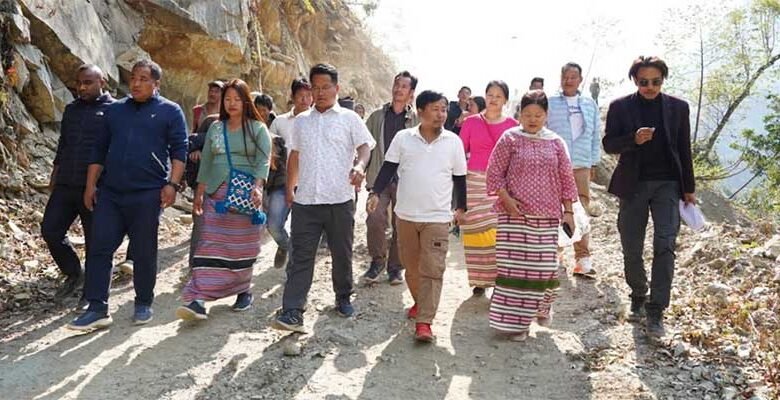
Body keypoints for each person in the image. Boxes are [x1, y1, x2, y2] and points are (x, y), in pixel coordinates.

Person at [68, 60, 188, 331]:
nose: (136, 83)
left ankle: (143, 301)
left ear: (156, 84)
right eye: (133, 78)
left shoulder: (170, 111)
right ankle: (97, 307)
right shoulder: (115, 110)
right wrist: (90, 186)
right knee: (100, 247)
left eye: (144, 78)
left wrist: (172, 185)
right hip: (110, 193)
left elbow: (179, 151)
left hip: (147, 194)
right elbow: (98, 150)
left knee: (144, 251)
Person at [272, 63, 375, 333]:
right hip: (306, 200)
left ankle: (343, 297)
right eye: (315, 88)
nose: (319, 93)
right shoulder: (302, 121)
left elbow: (365, 146)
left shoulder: (349, 119)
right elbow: (294, 155)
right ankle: (292, 310)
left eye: (325, 87)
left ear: (336, 89)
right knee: (300, 256)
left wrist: (360, 166)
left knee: (342, 252)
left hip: (339, 200)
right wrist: (290, 188)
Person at [603, 56, 695, 338]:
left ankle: (657, 309)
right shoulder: (620, 107)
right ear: (635, 80)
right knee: (632, 244)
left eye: (656, 81)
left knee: (665, 243)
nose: (650, 87)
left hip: (668, 184)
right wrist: (633, 139)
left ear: (663, 80)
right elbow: (609, 144)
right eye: (644, 82)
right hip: (633, 184)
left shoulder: (678, 107)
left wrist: (688, 188)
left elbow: (683, 147)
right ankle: (638, 294)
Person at [367, 90, 467, 342]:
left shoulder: (453, 142)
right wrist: (375, 192)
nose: (440, 114)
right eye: (435, 109)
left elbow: (459, 179)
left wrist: (461, 208)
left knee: (433, 268)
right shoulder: (403, 138)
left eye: (443, 109)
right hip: (406, 216)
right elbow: (388, 167)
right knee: (411, 268)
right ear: (420, 111)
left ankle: (424, 322)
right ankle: (420, 303)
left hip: (438, 217)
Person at [175, 79, 272, 321]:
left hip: (245, 194)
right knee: (209, 243)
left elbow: (264, 160)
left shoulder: (258, 129)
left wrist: (258, 187)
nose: (231, 104)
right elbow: (206, 160)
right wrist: (199, 192)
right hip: (215, 193)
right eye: (227, 99)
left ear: (245, 100)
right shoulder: (216, 128)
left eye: (237, 99)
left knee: (241, 248)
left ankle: (243, 291)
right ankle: (198, 298)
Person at [486, 90, 578, 342]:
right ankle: (516, 324)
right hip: (513, 216)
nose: (533, 119)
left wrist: (568, 211)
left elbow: (566, 179)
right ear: (520, 115)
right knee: (515, 269)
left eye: (538, 115)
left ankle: (537, 310)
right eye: (527, 114)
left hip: (547, 217)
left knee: (544, 268)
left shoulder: (556, 143)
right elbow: (494, 174)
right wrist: (508, 201)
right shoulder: (510, 139)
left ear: (546, 115)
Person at [42, 64, 114, 303]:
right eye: (79, 83)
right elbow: (64, 144)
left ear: (101, 82)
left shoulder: (115, 111)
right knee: (50, 230)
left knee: (96, 241)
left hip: (96, 188)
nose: (82, 87)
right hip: (66, 184)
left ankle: (91, 293)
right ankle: (73, 273)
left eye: (88, 83)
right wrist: (55, 173)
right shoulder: (72, 109)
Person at [459, 81, 518, 296]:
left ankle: (500, 279)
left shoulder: (513, 124)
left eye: (498, 96)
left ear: (505, 100)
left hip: (501, 186)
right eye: (490, 94)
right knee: (475, 232)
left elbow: (516, 157)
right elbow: (459, 152)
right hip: (474, 183)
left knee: (499, 234)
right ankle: (479, 281)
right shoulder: (471, 123)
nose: (493, 99)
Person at [363, 71, 419, 285]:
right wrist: (360, 169)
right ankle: (377, 261)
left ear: (411, 93)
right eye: (397, 84)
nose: (398, 89)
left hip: (406, 181)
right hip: (378, 178)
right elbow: (365, 145)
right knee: (374, 217)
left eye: (404, 86)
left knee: (401, 224)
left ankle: (395, 268)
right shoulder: (377, 116)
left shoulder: (416, 120)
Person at [546, 62, 601, 278]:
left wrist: (593, 161)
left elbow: (595, 134)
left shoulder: (589, 104)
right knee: (555, 209)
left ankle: (582, 259)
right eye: (565, 76)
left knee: (581, 209)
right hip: (555, 164)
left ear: (580, 80)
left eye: (573, 76)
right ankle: (556, 254)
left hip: (581, 163)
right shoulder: (550, 102)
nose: (569, 80)